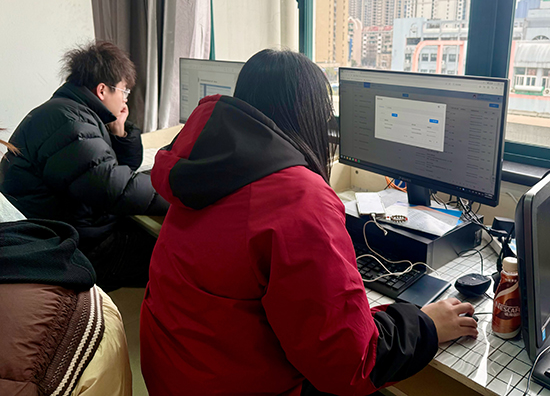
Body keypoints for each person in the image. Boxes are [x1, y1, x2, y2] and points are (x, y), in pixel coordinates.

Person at [139, 49, 478, 396]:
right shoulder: (298, 198)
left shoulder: (204, 168)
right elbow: (350, 361)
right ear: (312, 118)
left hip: (174, 372)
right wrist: (426, 324)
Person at [0, 41, 168, 290]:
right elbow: (116, 188)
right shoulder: (70, 124)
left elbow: (119, 171)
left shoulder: (68, 111)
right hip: (74, 247)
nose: (125, 101)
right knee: (174, 252)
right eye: (124, 92)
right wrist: (177, 191)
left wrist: (120, 132)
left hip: (66, 228)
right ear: (102, 90)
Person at [0, 137, 132, 396]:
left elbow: (126, 169)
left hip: (55, 230)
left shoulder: (75, 121)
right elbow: (124, 188)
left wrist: (123, 134)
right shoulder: (75, 131)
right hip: (82, 238)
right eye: (125, 93)